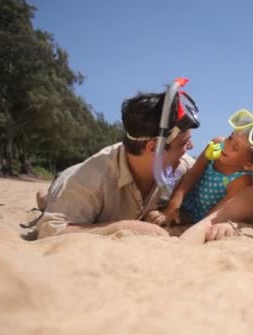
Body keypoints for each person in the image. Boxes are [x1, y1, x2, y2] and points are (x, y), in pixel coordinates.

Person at [36, 82, 200, 239]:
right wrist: (125, 227)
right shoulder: (93, 177)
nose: (191, 147)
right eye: (183, 143)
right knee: (53, 198)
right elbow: (49, 231)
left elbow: (215, 175)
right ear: (153, 148)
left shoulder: (180, 165)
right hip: (67, 178)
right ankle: (45, 198)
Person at [145, 109, 253, 226]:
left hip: (199, 220)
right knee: (152, 217)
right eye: (231, 137)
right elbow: (193, 174)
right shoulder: (217, 144)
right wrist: (173, 205)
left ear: (249, 165)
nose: (227, 145)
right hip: (180, 203)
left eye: (235, 148)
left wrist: (192, 228)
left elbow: (217, 215)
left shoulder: (242, 181)